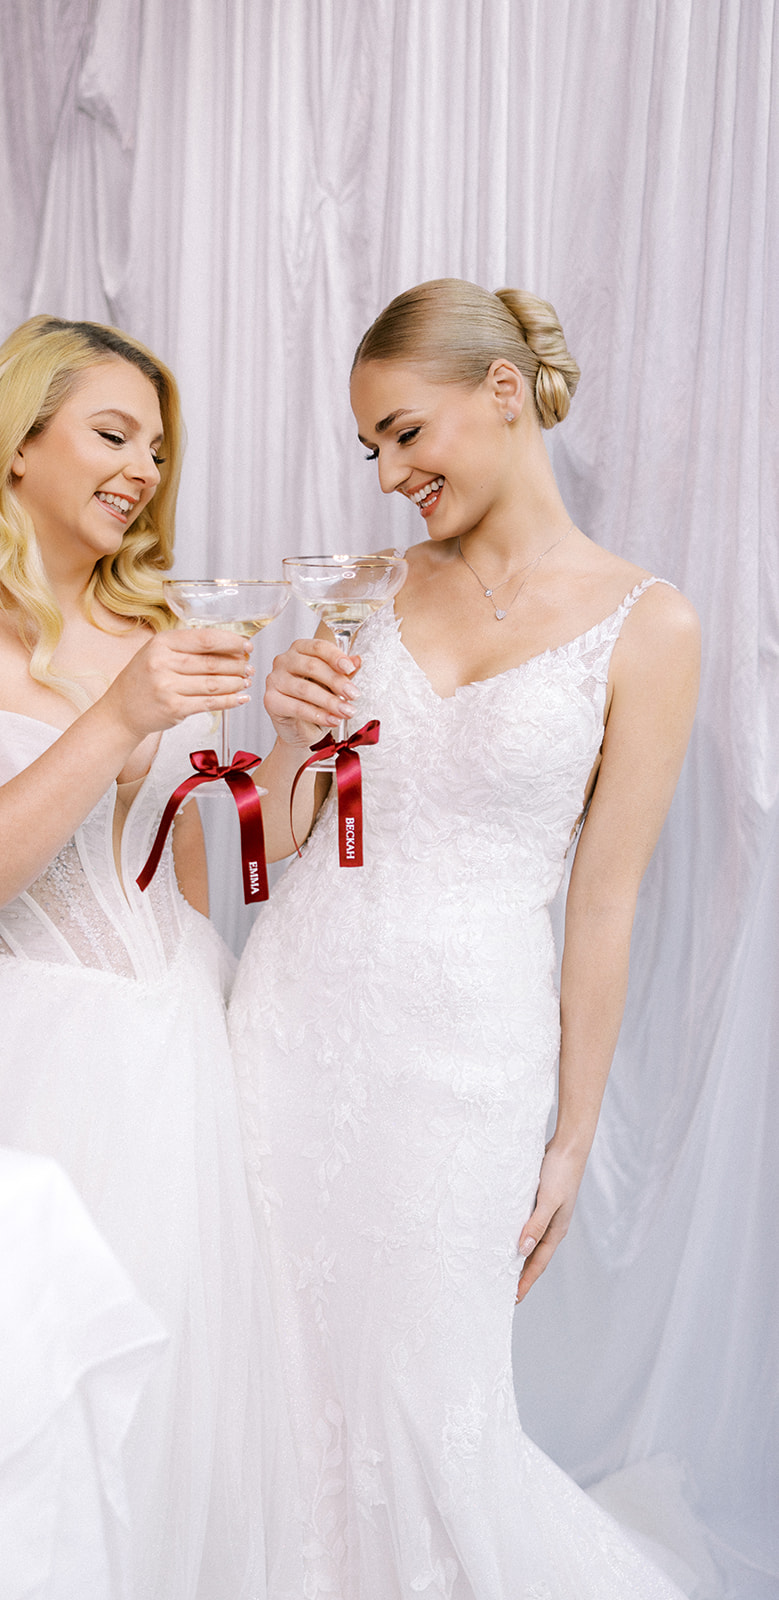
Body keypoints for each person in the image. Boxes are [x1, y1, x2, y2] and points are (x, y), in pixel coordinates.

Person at [229, 279, 700, 1597]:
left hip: (467, 1065)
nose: (384, 473)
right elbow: (265, 852)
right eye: (367, 449)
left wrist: (568, 1137)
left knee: (429, 1407)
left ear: (502, 394)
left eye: (401, 433)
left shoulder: (646, 626)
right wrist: (284, 738)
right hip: (291, 1024)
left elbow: (602, 903)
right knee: (280, 1386)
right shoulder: (361, 592)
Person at [0, 316, 294, 1599]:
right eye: (114, 434)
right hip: (11, 1068)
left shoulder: (152, 616)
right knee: (11, 1416)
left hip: (173, 1052)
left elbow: (204, 864)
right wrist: (119, 712)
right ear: (19, 442)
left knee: (171, 1408)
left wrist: (291, 755)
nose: (143, 471)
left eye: (157, 449)